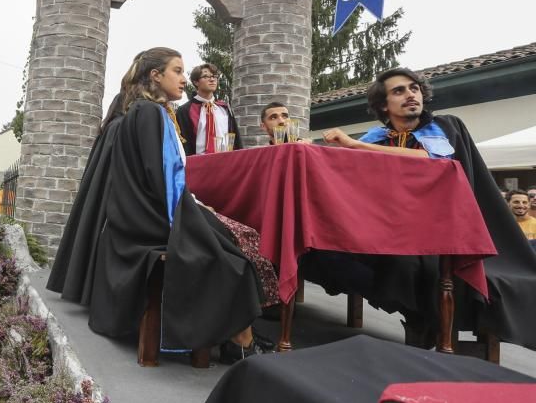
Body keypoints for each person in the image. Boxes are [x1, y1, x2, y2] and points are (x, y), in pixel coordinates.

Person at [47, 48, 269, 363]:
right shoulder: (150, 113)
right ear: (156, 75)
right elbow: (165, 182)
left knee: (229, 237)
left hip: (135, 219)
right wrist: (192, 212)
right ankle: (240, 340)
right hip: (147, 224)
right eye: (177, 71)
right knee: (234, 254)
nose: (183, 79)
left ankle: (239, 335)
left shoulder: (140, 111)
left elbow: (163, 178)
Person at [322, 68, 536, 349]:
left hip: (445, 232)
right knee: (328, 255)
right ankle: (419, 320)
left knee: (411, 266)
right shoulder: (376, 138)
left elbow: (432, 159)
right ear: (384, 104)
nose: (411, 94)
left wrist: (355, 145)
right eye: (399, 91)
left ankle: (424, 324)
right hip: (389, 231)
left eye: (414, 88)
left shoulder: (445, 126)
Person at [175, 63, 244, 157]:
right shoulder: (184, 110)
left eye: (214, 76)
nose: (212, 79)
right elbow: (183, 144)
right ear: (196, 82)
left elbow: (235, 138)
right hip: (198, 162)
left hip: (227, 160)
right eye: (205, 76)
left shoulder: (225, 108)